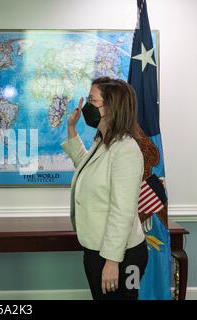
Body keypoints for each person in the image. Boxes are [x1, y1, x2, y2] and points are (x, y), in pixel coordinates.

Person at [61, 77, 148, 300]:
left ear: (110, 107)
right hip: (98, 250)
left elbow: (123, 211)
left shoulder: (125, 149)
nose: (86, 105)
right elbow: (84, 165)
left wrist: (112, 261)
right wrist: (71, 128)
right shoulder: (103, 142)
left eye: (92, 99)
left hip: (123, 255)